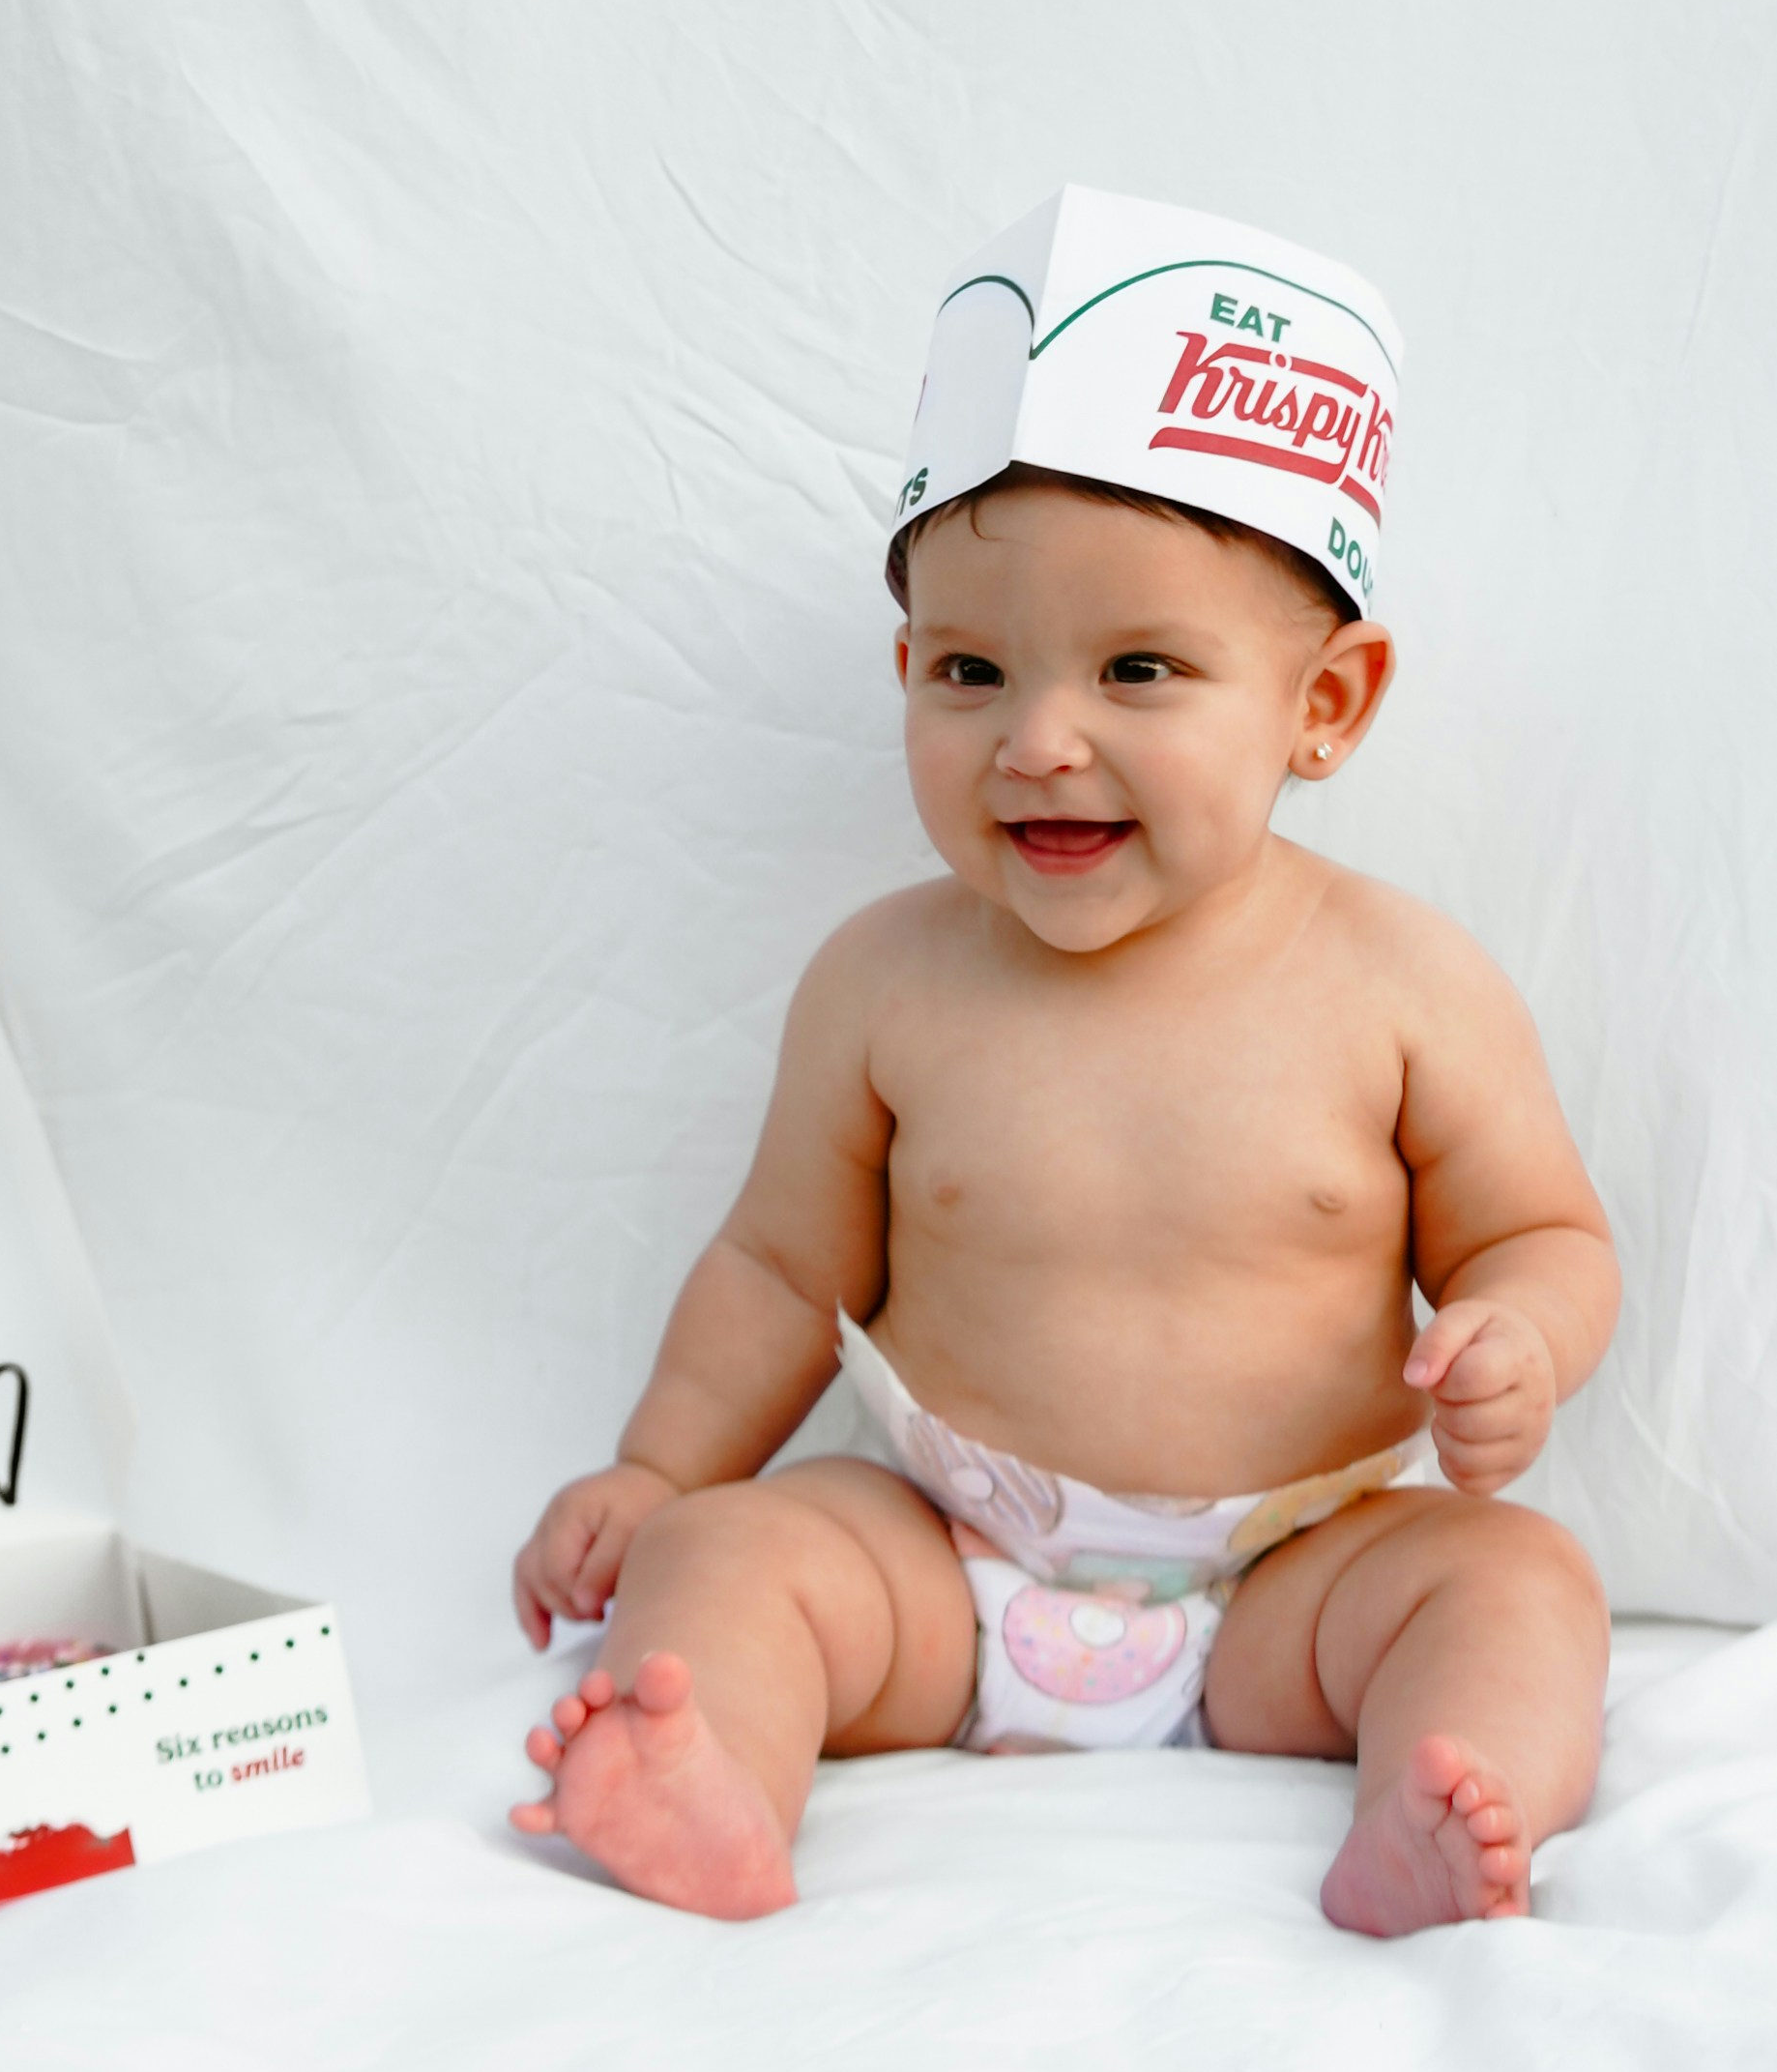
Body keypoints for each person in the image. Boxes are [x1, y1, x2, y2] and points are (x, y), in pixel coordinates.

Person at [510, 190, 1617, 1936]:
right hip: (948, 1564)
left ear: (1322, 702)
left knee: (1519, 1582)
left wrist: (1517, 1336)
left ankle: (1446, 1796)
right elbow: (783, 1265)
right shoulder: (885, 980)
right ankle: (707, 1771)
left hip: (1291, 1587)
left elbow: (1542, 1236)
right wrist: (657, 1472)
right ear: (903, 673)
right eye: (968, 669)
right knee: (725, 1555)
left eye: (1138, 668)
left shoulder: (1404, 983)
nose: (1037, 740)